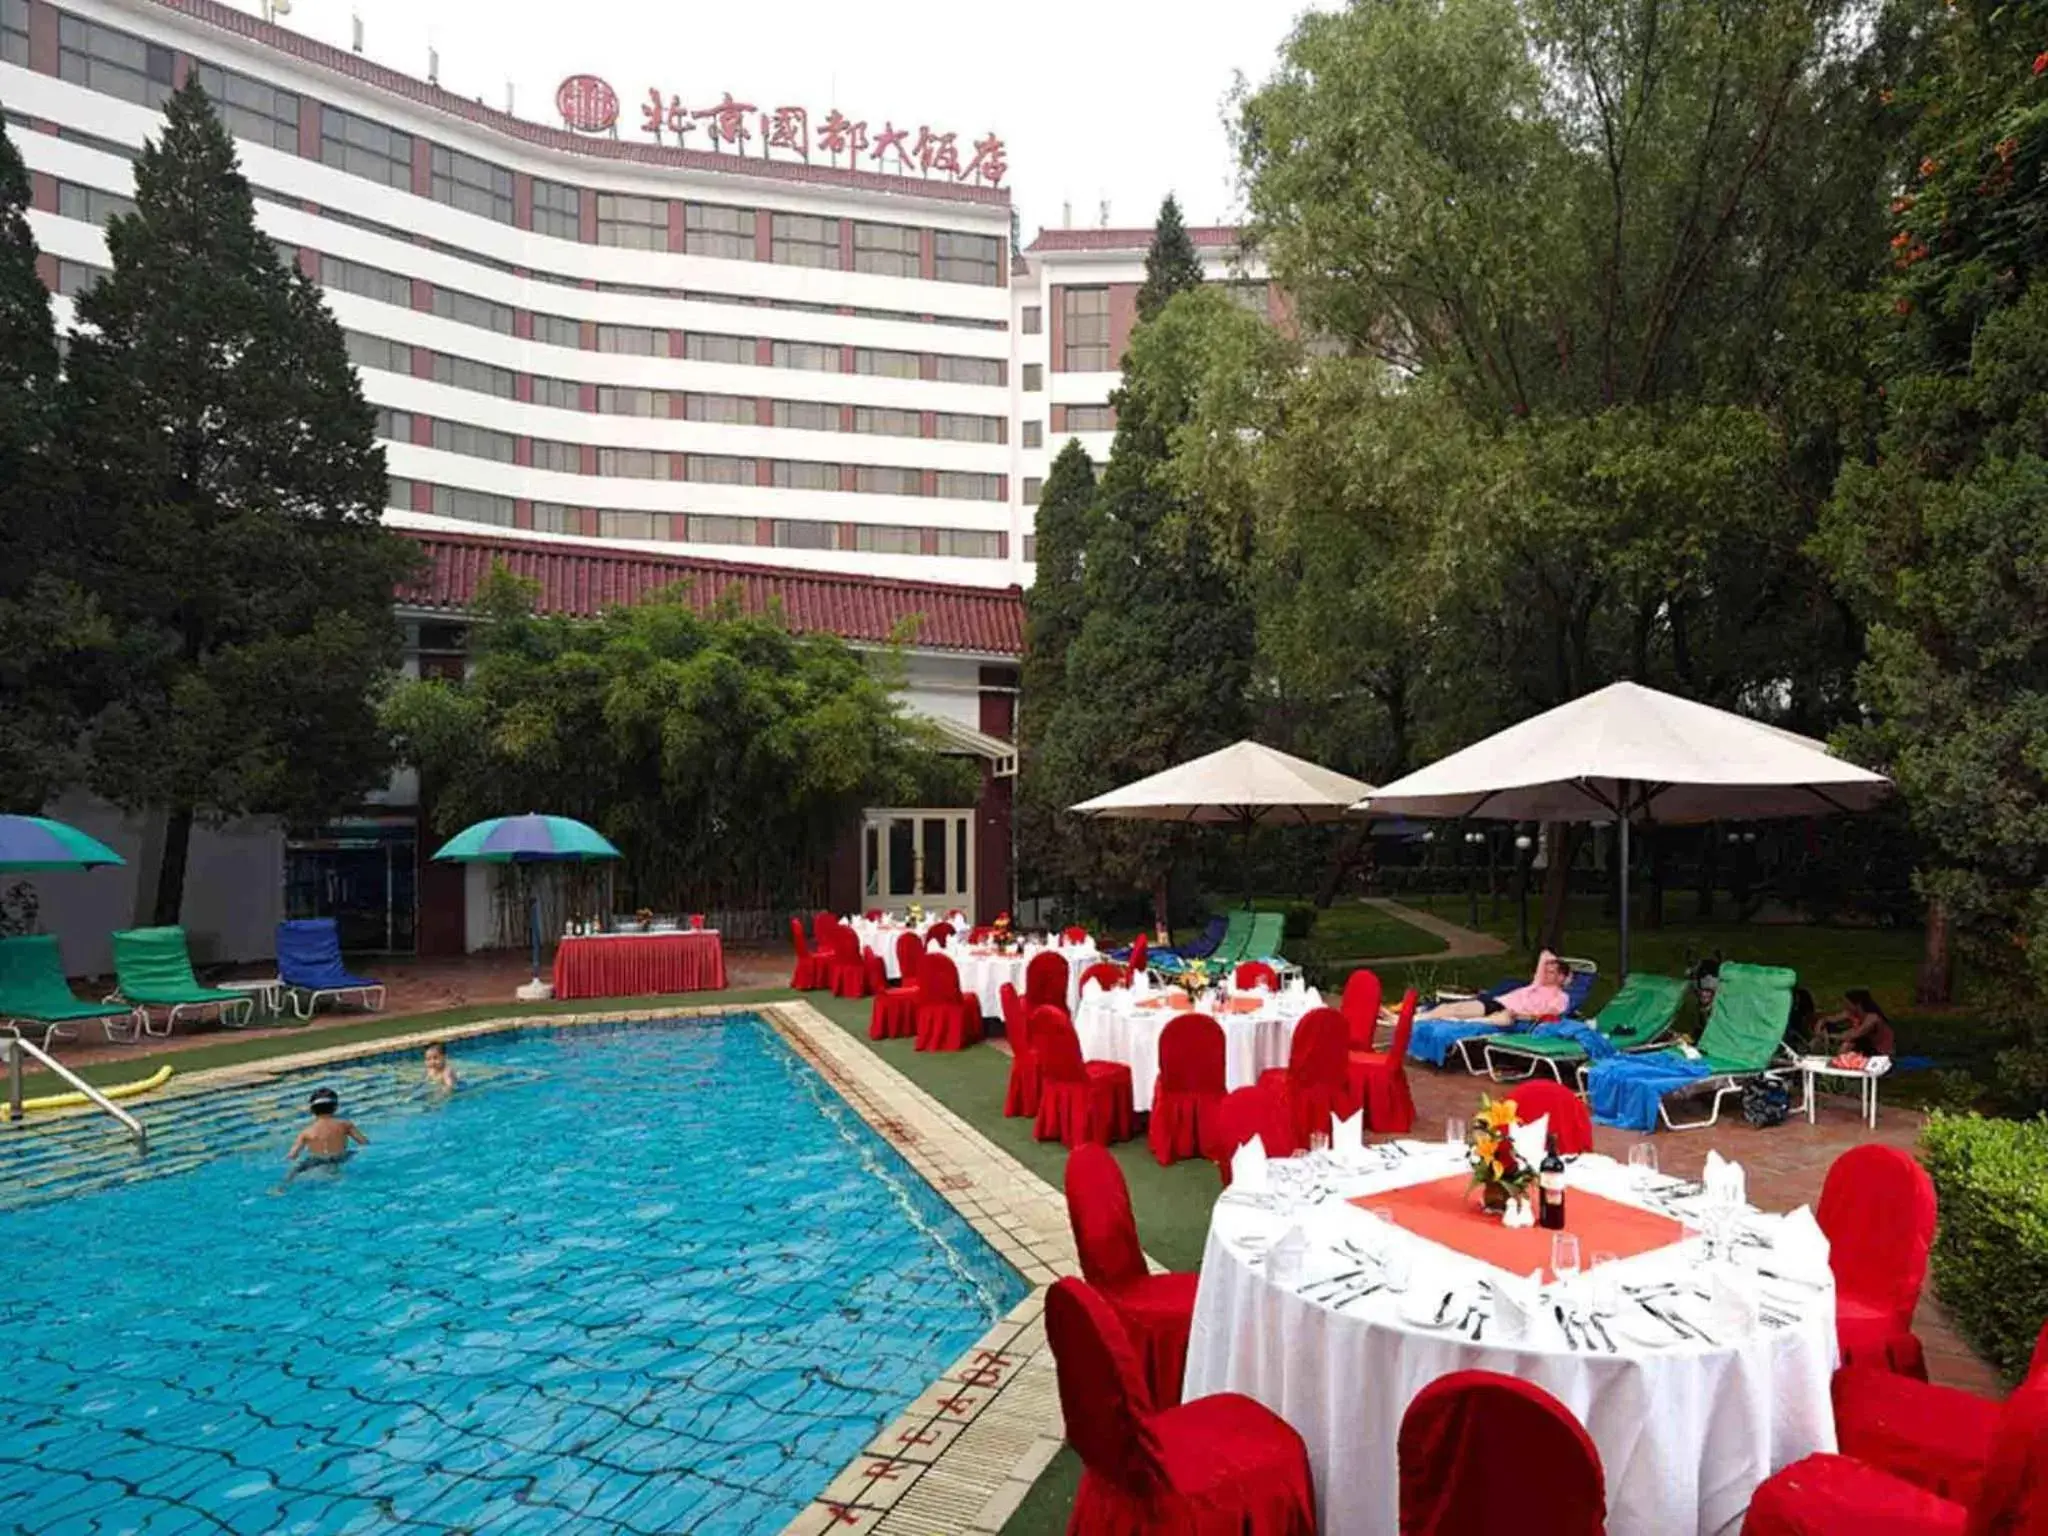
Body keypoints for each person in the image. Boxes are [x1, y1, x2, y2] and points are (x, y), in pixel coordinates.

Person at [1413, 951, 1573, 1024]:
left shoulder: (1561, 998)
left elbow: (1546, 1016)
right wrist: (1556, 964)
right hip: (1498, 1003)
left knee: (1454, 1012)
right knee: (1450, 1009)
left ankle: (1411, 1020)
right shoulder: (1537, 984)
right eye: (1545, 971)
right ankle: (1412, 1019)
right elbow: (1545, 954)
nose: (1545, 974)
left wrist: (1522, 1016)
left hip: (1510, 1013)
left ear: (1561, 977)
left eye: (1551, 973)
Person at [285, 1087, 368, 1171]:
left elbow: (292, 1155)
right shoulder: (345, 1125)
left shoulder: (306, 1132)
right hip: (340, 1157)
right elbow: (364, 1143)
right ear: (335, 1107)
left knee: (294, 1171)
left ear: (312, 1110)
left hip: (317, 1161)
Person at [1811, 988, 1896, 1056]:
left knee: (1848, 1044)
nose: (1845, 1006)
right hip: (1867, 1045)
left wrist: (1828, 1037)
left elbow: (1855, 1034)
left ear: (1857, 1004)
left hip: (1881, 1052)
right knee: (1845, 1041)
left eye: (1848, 1003)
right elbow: (1827, 1019)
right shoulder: (1851, 1013)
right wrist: (1819, 1027)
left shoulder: (1872, 1018)